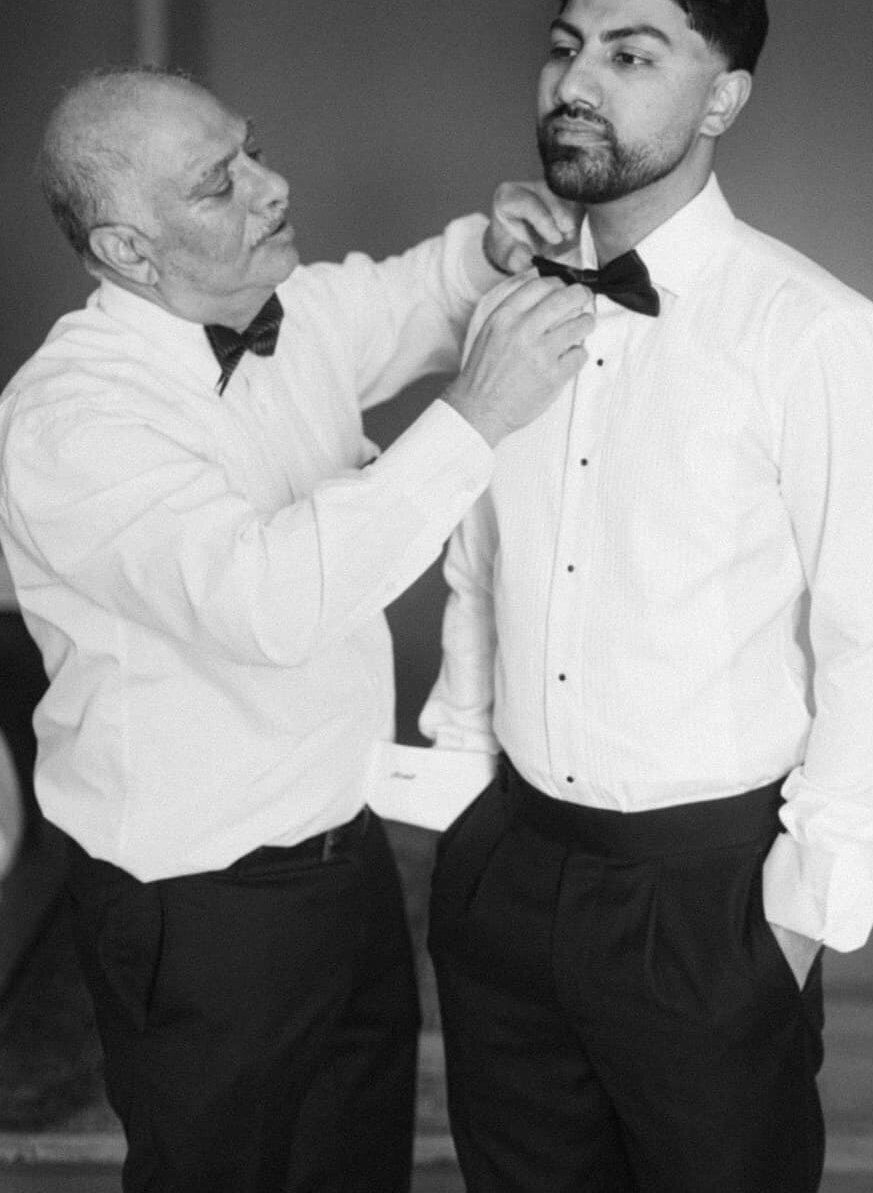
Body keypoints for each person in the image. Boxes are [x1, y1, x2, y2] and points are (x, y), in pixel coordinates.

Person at [0, 66, 595, 1193]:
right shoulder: (68, 421)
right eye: (220, 184)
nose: (271, 186)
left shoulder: (291, 311)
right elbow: (274, 604)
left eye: (253, 150)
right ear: (129, 251)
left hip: (348, 862)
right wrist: (475, 417)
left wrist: (485, 249)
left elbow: (405, 295)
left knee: (356, 1167)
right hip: (197, 906)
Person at [420, 0, 873, 1193]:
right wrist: (456, 804)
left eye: (629, 54)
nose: (574, 83)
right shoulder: (507, 310)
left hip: (707, 900)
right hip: (509, 871)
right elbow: (477, 568)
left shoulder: (819, 337)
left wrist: (799, 916)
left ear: (721, 98)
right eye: (563, 50)